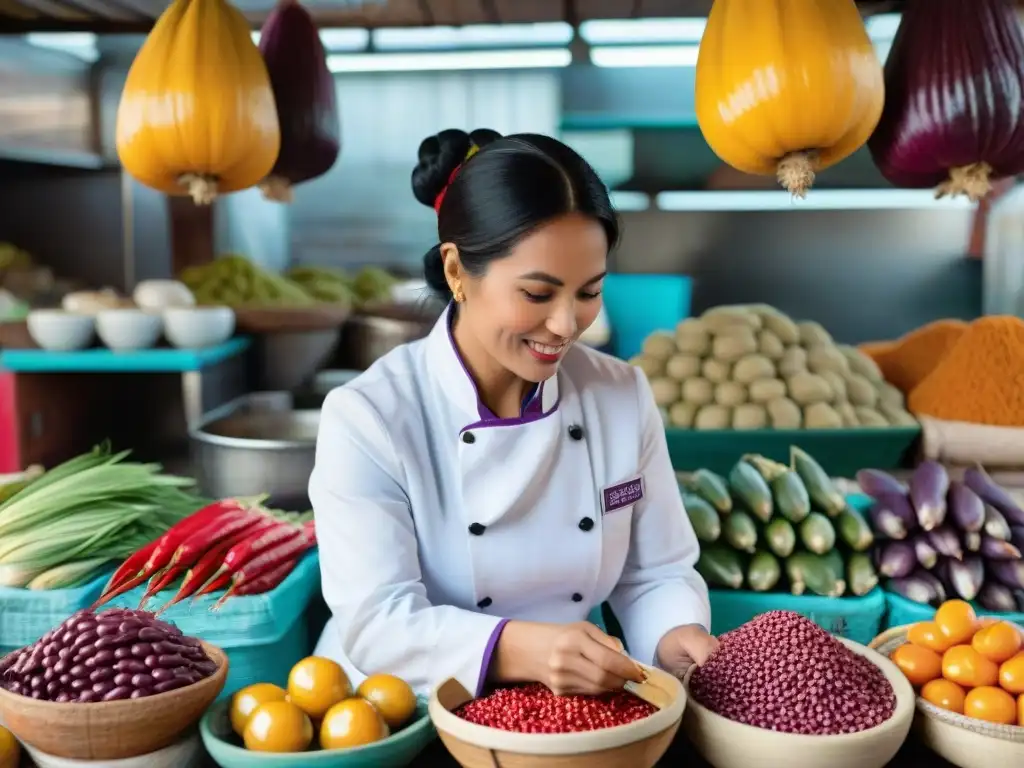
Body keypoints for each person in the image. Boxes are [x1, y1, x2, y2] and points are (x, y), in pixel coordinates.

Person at [309, 128, 718, 700]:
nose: (567, 325)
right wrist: (527, 650)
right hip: (398, 707)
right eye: (537, 294)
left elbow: (655, 572)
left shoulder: (620, 394)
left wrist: (675, 633)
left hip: (573, 706)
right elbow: (379, 621)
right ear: (457, 271)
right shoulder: (370, 416)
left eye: (589, 291)